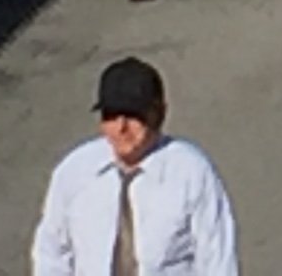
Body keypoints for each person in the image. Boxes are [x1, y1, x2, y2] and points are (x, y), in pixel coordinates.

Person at [31, 57, 239, 276]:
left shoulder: (191, 172)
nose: (121, 128)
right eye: (110, 115)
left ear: (159, 114)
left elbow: (216, 259)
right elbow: (52, 252)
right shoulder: (75, 172)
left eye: (133, 115)